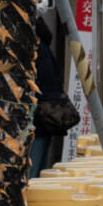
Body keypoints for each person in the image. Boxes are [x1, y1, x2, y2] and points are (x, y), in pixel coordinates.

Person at [29, 12, 78, 178]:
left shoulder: (35, 50)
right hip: (48, 118)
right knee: (41, 167)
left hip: (37, 117)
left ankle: (29, 201)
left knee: (31, 168)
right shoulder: (45, 48)